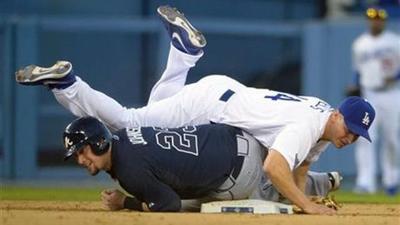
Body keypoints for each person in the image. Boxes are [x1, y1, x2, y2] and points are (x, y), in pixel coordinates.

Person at [16, 5, 375, 214]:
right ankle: (68, 85)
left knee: (155, 109)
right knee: (129, 122)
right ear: (337, 116)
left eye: (357, 137)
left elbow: (302, 165)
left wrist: (302, 199)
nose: (351, 139)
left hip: (222, 98)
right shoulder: (309, 123)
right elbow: (275, 166)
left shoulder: (324, 123)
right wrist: (309, 207)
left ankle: (184, 54)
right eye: (351, 131)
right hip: (211, 107)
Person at [63, 116, 338, 212]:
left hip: (238, 173)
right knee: (191, 179)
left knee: (192, 205)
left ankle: (311, 186)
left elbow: (168, 205)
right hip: (238, 136)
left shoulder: (130, 171)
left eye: (82, 150)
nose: (80, 159)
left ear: (99, 142)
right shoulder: (124, 136)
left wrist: (125, 203)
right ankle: (322, 181)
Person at [347, 7, 400, 195]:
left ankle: (391, 180)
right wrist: (354, 86)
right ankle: (365, 182)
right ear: (368, 21)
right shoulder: (360, 44)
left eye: (379, 19)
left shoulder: (395, 41)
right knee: (365, 137)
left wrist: (395, 78)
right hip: (370, 94)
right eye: (372, 18)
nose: (376, 21)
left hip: (392, 93)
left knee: (392, 138)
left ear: (384, 21)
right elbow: (358, 70)